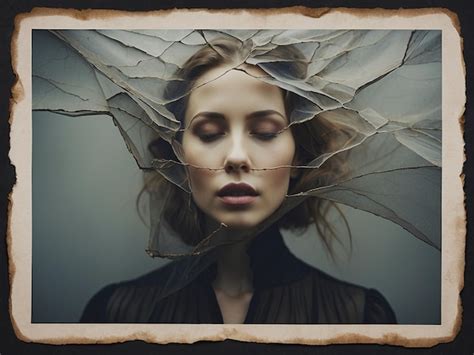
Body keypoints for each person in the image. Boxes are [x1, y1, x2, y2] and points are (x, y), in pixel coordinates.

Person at [80, 38, 397, 324]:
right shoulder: (116, 314)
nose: (236, 157)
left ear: (299, 155)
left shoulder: (358, 316)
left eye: (265, 132)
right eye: (209, 133)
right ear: (178, 156)